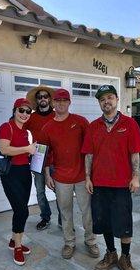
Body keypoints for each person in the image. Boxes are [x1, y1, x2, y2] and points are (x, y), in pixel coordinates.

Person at [82, 85, 140, 270]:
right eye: (102, 99)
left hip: (121, 185)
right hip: (100, 184)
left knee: (124, 223)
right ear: (99, 103)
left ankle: (125, 258)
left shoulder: (129, 124)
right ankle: (111, 254)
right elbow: (89, 154)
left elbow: (135, 153)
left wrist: (135, 176)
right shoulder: (93, 126)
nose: (106, 102)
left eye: (110, 97)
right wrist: (87, 177)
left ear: (117, 99)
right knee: (104, 222)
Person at [42, 88, 99, 259]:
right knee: (65, 212)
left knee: (87, 211)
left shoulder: (80, 122)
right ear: (53, 103)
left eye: (64, 100)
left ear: (69, 102)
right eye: (57, 100)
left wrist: (91, 174)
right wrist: (47, 175)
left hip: (82, 177)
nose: (60, 103)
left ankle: (91, 241)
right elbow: (44, 154)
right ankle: (69, 243)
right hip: (61, 178)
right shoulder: (47, 128)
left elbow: (90, 148)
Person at [0, 98, 36, 266]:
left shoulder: (26, 131)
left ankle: (14, 240)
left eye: (28, 111)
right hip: (10, 173)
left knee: (19, 209)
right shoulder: (6, 127)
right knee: (22, 211)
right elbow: (5, 149)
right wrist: (27, 149)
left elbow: (25, 153)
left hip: (25, 172)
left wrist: (34, 153)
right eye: (21, 110)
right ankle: (18, 247)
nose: (25, 114)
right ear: (14, 111)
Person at [26, 85, 56, 230]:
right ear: (37, 101)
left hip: (56, 160)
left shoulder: (57, 116)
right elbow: (17, 125)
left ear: (49, 99)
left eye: (45, 96)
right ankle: (45, 217)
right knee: (39, 191)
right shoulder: (31, 117)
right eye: (39, 97)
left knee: (60, 192)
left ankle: (64, 220)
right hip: (38, 158)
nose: (43, 99)